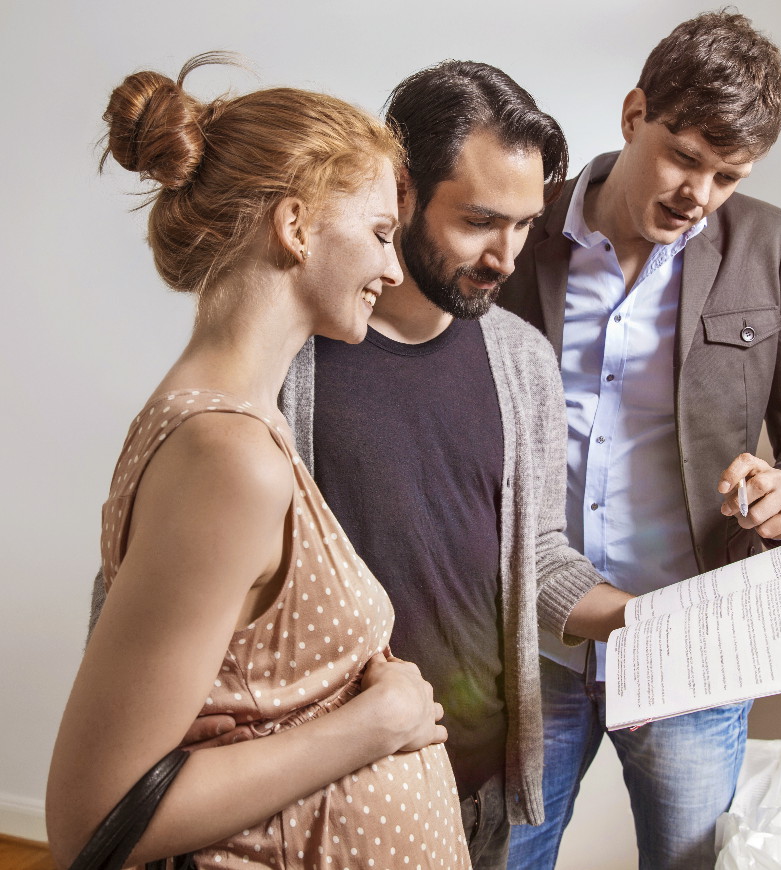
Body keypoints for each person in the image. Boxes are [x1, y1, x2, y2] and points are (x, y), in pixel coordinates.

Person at [85, 60, 632, 870]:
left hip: (479, 789)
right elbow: (156, 560)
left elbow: (538, 557)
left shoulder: (523, 363)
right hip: (309, 810)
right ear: (401, 194)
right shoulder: (281, 364)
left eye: (526, 225)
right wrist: (151, 731)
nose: (507, 257)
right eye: (481, 220)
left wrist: (650, 621)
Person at [49, 53, 472, 870]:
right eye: (381, 233)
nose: (393, 267)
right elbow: (93, 817)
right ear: (297, 226)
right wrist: (375, 725)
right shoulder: (226, 457)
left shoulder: (238, 427)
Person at [499, 11, 781, 870]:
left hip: (695, 649)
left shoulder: (769, 244)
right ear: (633, 115)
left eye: (727, 177)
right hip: (527, 642)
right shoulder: (517, 231)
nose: (700, 195)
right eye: (686, 157)